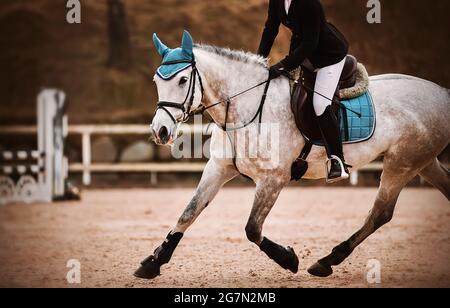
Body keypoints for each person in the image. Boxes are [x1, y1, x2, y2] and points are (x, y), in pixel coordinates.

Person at [258, 0, 350, 183]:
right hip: (304, 53)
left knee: (320, 103)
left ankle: (338, 161)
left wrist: (283, 66)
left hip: (329, 56)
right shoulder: (276, 1)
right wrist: (257, 61)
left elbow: (311, 43)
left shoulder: (310, 4)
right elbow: (270, 30)